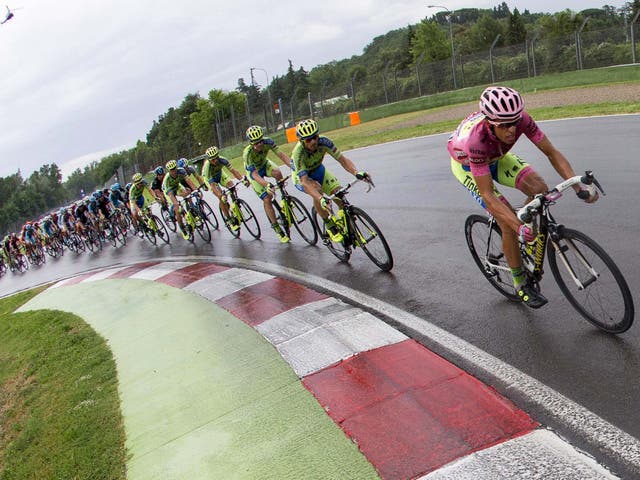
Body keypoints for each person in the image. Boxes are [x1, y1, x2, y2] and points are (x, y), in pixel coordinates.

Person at [448, 85, 598, 309]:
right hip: (469, 166)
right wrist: (516, 226)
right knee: (506, 222)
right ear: (490, 123)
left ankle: (521, 226)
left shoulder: (521, 120)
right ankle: (520, 283)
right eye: (504, 125)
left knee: (539, 187)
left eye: (514, 123)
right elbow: (488, 195)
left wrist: (578, 186)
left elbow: (551, 152)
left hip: (497, 157)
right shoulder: (476, 141)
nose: (511, 130)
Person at [291, 119, 371, 243]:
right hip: (302, 177)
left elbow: (343, 160)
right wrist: (320, 198)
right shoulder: (298, 153)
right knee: (317, 190)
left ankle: (350, 229)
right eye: (308, 140)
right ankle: (329, 224)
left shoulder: (324, 142)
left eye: (315, 137)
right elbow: (305, 182)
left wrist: (356, 172)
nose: (313, 141)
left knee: (339, 193)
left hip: (318, 170)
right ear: (302, 141)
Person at [242, 125, 292, 243]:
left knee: (277, 172)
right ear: (250, 143)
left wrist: (294, 168)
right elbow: (254, 175)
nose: (259, 145)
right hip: (254, 173)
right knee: (267, 198)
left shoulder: (268, 141)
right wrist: (267, 184)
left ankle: (284, 198)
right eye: (255, 143)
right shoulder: (247, 153)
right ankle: (276, 226)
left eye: (260, 141)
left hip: (264, 164)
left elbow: (281, 155)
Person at [201, 146, 248, 231]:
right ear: (209, 160)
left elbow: (233, 171)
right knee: (221, 197)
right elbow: (212, 185)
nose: (215, 161)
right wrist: (220, 195)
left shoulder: (223, 160)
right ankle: (229, 220)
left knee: (232, 186)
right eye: (212, 160)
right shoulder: (207, 166)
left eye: (216, 158)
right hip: (210, 179)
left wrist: (242, 180)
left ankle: (235, 206)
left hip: (220, 174)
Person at [162, 159, 199, 239]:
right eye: (171, 170)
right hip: (169, 191)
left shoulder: (181, 171)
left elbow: (189, 181)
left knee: (188, 194)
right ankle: (182, 229)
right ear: (169, 171)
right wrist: (176, 203)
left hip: (177, 186)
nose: (174, 171)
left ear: (177, 167)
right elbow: (170, 195)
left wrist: (195, 190)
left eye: (174, 168)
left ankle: (193, 212)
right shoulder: (167, 179)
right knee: (177, 208)